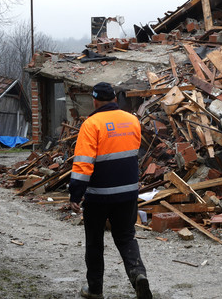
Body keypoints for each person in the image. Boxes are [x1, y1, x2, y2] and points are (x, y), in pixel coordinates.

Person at [69, 82, 152, 299]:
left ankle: (95, 289)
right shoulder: (132, 120)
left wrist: (75, 194)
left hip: (99, 195)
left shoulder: (91, 124)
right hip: (128, 192)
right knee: (126, 237)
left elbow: (83, 164)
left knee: (95, 241)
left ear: (95, 100)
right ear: (115, 99)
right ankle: (138, 274)